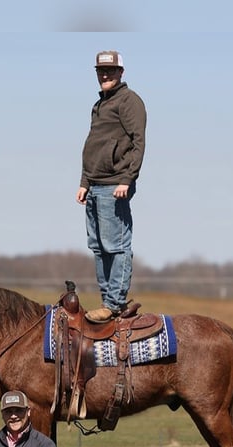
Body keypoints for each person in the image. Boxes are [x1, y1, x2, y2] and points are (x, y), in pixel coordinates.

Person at [76, 50, 147, 323]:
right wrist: (84, 182)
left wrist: (127, 178)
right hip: (95, 185)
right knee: (98, 246)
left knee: (116, 245)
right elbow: (93, 146)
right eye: (101, 71)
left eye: (110, 71)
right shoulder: (100, 104)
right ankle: (106, 300)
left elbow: (138, 141)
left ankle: (115, 304)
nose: (105, 75)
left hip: (114, 185)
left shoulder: (129, 102)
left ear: (121, 72)